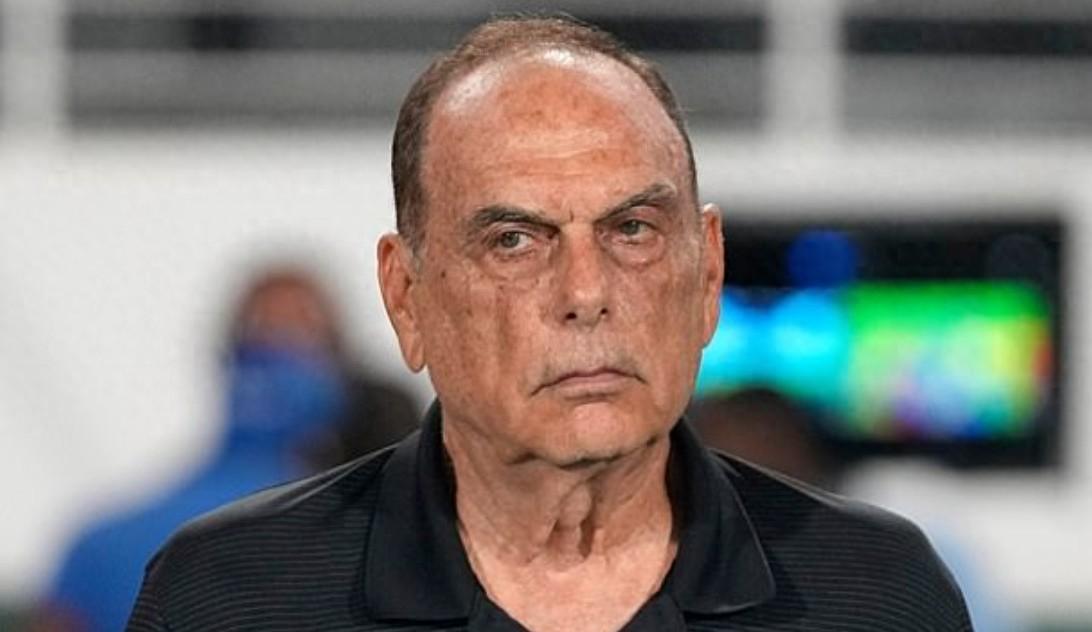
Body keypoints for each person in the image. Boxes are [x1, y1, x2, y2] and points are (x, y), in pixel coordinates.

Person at [127, 15, 972, 631]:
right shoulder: (231, 599)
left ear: (708, 273)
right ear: (407, 298)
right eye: (514, 240)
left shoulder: (881, 596)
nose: (586, 291)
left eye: (632, 230)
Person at [39, 265, 416, 632]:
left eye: (297, 336)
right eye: (264, 336)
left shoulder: (99, 545)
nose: (276, 354)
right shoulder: (101, 549)